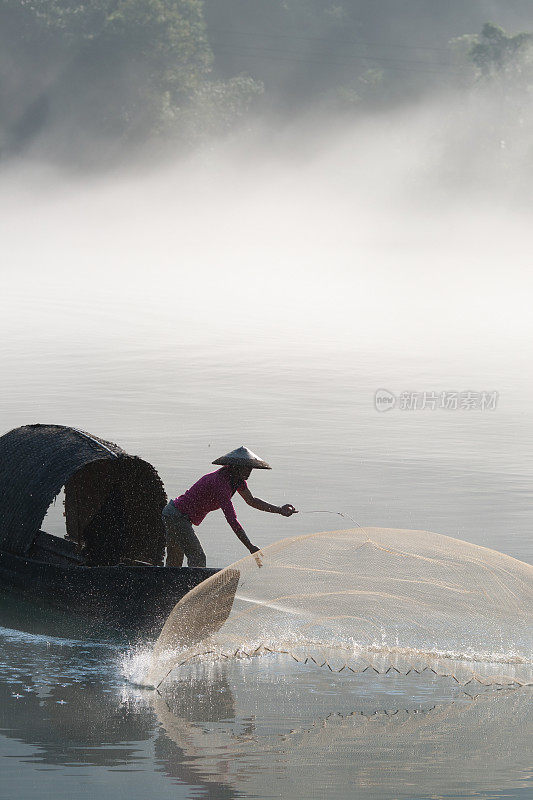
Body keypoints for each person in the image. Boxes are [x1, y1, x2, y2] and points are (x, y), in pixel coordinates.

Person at [162, 446, 298, 567]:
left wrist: (279, 510)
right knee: (197, 557)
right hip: (177, 515)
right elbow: (232, 520)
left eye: (250, 467)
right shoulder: (221, 484)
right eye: (246, 467)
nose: (249, 471)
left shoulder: (238, 481)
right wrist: (249, 546)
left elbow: (251, 500)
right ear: (235, 467)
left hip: (177, 515)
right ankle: (189, 590)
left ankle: (173, 589)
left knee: (175, 560)